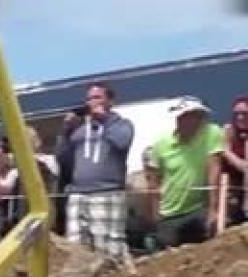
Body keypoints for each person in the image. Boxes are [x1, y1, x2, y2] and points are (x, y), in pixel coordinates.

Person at [59, 82, 134, 258]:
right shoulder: (80, 130)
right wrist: (65, 132)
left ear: (110, 101)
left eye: (97, 97)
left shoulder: (121, 124)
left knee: (107, 248)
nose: (92, 102)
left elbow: (122, 142)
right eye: (89, 98)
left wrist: (104, 119)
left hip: (107, 193)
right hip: (78, 194)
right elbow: (62, 158)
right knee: (76, 248)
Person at [143, 96, 227, 249]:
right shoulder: (161, 144)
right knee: (168, 257)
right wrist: (155, 216)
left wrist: (214, 209)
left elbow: (214, 170)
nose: (196, 120)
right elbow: (153, 182)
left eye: (198, 116)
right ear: (179, 118)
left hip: (197, 208)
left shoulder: (211, 133)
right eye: (189, 116)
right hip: (169, 212)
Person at [223, 95, 248, 230]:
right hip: (232, 179)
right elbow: (225, 151)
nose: (240, 117)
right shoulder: (229, 130)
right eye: (237, 114)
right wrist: (241, 165)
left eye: (244, 114)